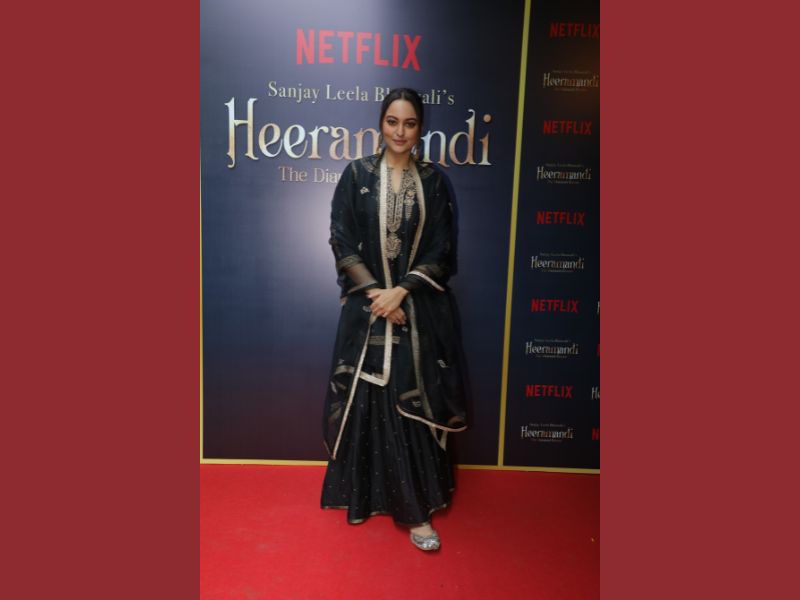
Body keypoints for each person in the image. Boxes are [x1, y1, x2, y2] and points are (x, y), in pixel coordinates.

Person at [320, 88, 468, 551]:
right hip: (368, 310)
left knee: (410, 399)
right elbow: (341, 239)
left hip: (416, 312)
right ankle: (366, 496)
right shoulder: (357, 174)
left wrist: (401, 291)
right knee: (369, 397)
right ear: (380, 123)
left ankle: (416, 511)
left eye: (409, 123)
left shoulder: (434, 181)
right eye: (392, 121)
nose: (400, 132)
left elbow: (442, 250)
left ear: (420, 128)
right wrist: (376, 295)